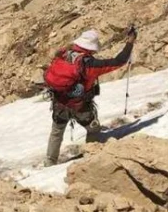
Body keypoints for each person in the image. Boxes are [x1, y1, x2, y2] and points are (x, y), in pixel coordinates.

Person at [44, 27, 136, 166]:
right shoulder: (89, 65)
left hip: (59, 102)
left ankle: (49, 163)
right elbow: (119, 61)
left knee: (56, 131)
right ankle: (91, 156)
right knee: (93, 129)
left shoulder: (63, 54)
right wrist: (130, 42)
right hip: (80, 105)